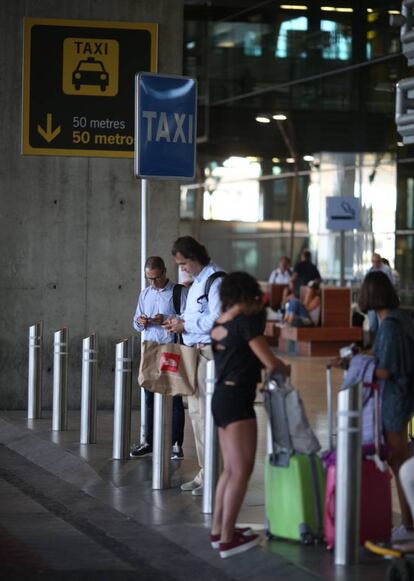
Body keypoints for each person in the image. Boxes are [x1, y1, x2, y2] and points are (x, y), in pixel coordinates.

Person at [209, 272, 290, 558]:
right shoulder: (244, 324)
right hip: (237, 398)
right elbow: (270, 361)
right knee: (241, 471)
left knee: (230, 470)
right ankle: (229, 538)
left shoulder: (221, 321)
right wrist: (284, 367)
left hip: (221, 397)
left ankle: (219, 531)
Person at [163, 237, 224, 496]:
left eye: (184, 263)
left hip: (210, 354)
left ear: (194, 257)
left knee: (207, 417)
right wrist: (179, 322)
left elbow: (218, 318)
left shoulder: (216, 280)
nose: (182, 268)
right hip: (195, 352)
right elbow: (197, 315)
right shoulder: (198, 282)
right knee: (196, 416)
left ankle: (215, 472)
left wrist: (185, 326)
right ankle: (205, 469)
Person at [358, 271, 414, 540]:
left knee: (398, 460)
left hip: (395, 400)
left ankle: (408, 524)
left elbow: (387, 370)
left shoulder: (390, 326)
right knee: (401, 458)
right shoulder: (399, 319)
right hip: (403, 398)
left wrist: (357, 365)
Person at [131, 256, 187, 460]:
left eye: (155, 278)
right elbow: (135, 323)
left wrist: (165, 319)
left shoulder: (179, 292)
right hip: (150, 348)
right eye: (148, 278)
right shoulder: (144, 293)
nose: (152, 282)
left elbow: (187, 319)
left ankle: (176, 443)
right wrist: (141, 322)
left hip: (170, 348)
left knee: (174, 395)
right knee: (148, 396)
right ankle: (149, 441)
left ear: (164, 272)